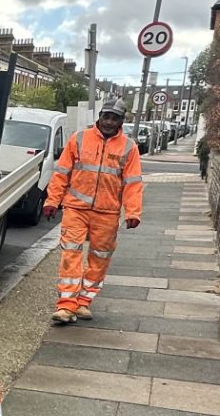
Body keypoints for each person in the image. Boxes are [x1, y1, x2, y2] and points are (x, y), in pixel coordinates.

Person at [43, 95, 145, 325]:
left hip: (107, 212)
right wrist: (52, 201)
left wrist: (133, 212)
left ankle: (83, 302)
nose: (109, 122)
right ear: (100, 117)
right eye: (106, 116)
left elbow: (133, 183)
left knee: (100, 258)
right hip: (76, 208)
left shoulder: (129, 148)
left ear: (121, 121)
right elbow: (61, 174)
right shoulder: (78, 139)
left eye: (114, 118)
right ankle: (66, 305)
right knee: (71, 253)